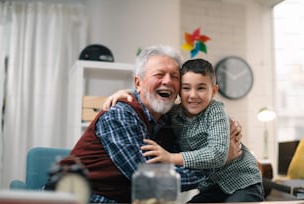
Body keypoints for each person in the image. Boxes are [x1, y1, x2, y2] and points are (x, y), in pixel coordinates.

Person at [60, 45, 242, 203]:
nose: (168, 81)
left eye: (174, 76)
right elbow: (149, 180)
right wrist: (220, 162)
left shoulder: (169, 120)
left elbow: (191, 156)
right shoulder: (120, 115)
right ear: (138, 83)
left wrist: (222, 138)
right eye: (159, 74)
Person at [104, 58, 264, 202]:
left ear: (214, 91)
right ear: (179, 90)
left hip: (242, 182)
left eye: (201, 88)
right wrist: (126, 93)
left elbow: (217, 154)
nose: (193, 95)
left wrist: (171, 158)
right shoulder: (174, 113)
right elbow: (151, 95)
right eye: (186, 88)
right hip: (212, 187)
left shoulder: (215, 111)